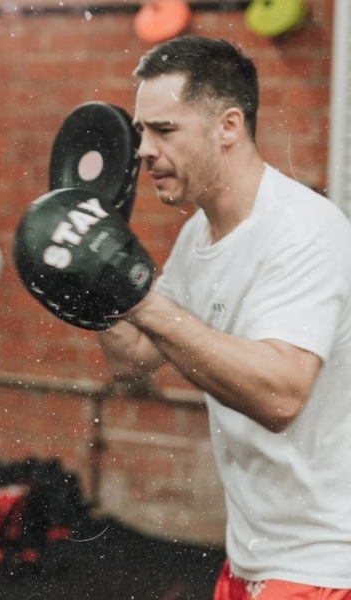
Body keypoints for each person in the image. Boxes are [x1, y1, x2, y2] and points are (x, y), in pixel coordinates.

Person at [98, 35, 351, 598]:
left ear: (229, 126)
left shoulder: (303, 230)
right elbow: (133, 361)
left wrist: (139, 299)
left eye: (164, 130)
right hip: (248, 556)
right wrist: (96, 293)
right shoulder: (199, 234)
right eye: (141, 131)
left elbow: (280, 395)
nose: (142, 150)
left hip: (324, 563)